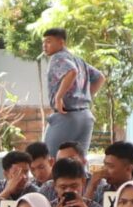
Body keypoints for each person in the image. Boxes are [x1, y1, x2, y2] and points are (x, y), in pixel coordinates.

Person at [39, 27, 95, 156]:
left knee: (50, 158)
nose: (44, 45)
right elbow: (99, 77)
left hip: (67, 116)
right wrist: (85, 97)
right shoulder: (78, 60)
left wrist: (58, 98)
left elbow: (72, 71)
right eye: (43, 42)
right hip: (85, 116)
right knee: (79, 162)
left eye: (48, 41)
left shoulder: (58, 58)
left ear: (61, 42)